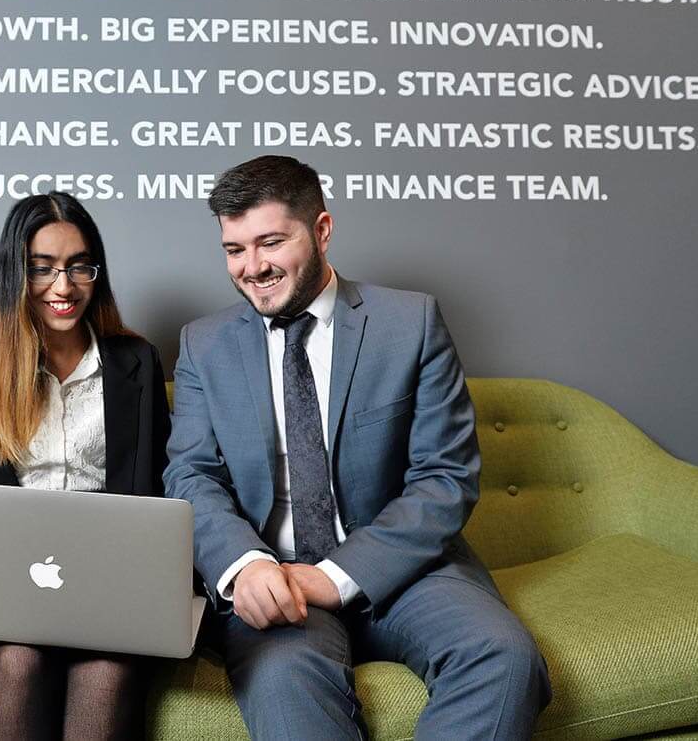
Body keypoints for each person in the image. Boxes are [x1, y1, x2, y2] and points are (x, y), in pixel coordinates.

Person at [163, 155, 551, 739]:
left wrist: (337, 575)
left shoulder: (409, 323)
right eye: (234, 249)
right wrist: (246, 566)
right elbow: (192, 477)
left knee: (505, 658)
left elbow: (443, 478)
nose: (252, 267)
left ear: (321, 230)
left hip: (409, 571)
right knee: (283, 684)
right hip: (274, 577)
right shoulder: (203, 345)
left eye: (270, 242)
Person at [0, 191, 170, 741]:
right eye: (42, 269)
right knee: (16, 664)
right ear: (14, 274)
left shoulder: (137, 363)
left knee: (106, 670)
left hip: (109, 590)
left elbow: (164, 494)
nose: (63, 287)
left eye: (78, 267)